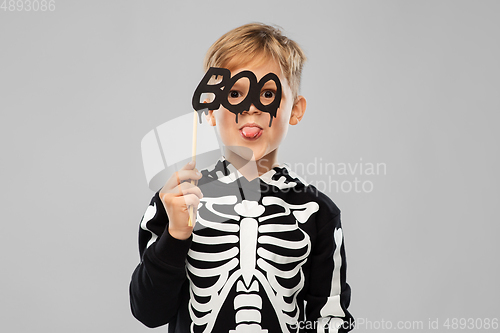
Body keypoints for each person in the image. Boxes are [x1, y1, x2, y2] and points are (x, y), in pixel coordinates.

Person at [130, 22, 354, 333]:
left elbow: (330, 319)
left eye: (268, 94)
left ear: (295, 110)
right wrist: (174, 236)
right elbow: (148, 312)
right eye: (234, 93)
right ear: (209, 108)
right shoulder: (174, 202)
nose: (251, 109)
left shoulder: (318, 213)